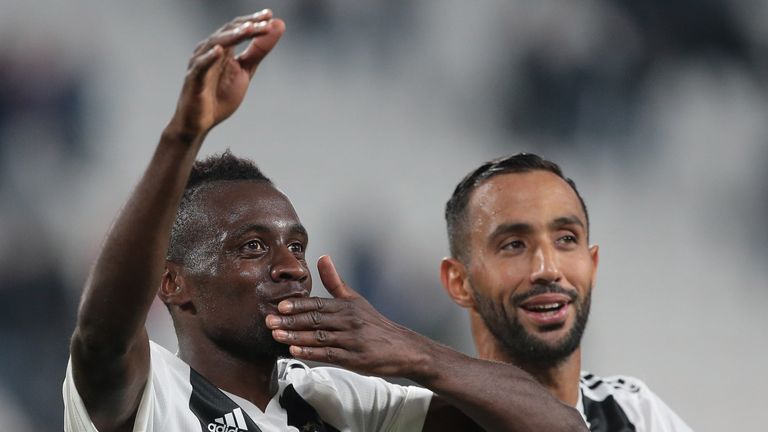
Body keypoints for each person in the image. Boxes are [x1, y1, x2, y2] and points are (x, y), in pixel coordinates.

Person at [62, 11, 587, 432]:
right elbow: (102, 337)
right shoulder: (152, 394)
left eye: (297, 246)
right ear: (173, 283)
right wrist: (182, 135)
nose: (291, 267)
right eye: (251, 247)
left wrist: (414, 353)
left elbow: (559, 425)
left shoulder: (341, 401)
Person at [439, 154, 694, 431]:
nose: (547, 269)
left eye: (566, 239)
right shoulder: (423, 420)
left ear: (592, 264)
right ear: (459, 282)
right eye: (513, 244)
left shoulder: (636, 413)